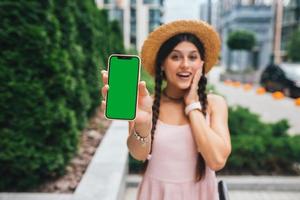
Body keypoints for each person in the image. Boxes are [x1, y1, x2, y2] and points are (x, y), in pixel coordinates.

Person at [101, 20, 231, 200]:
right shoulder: (146, 104)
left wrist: (192, 105)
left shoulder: (215, 104)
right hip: (156, 193)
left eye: (192, 57)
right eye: (176, 57)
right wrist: (143, 124)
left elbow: (216, 161)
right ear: (162, 63)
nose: (185, 64)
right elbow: (138, 154)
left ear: (201, 64)